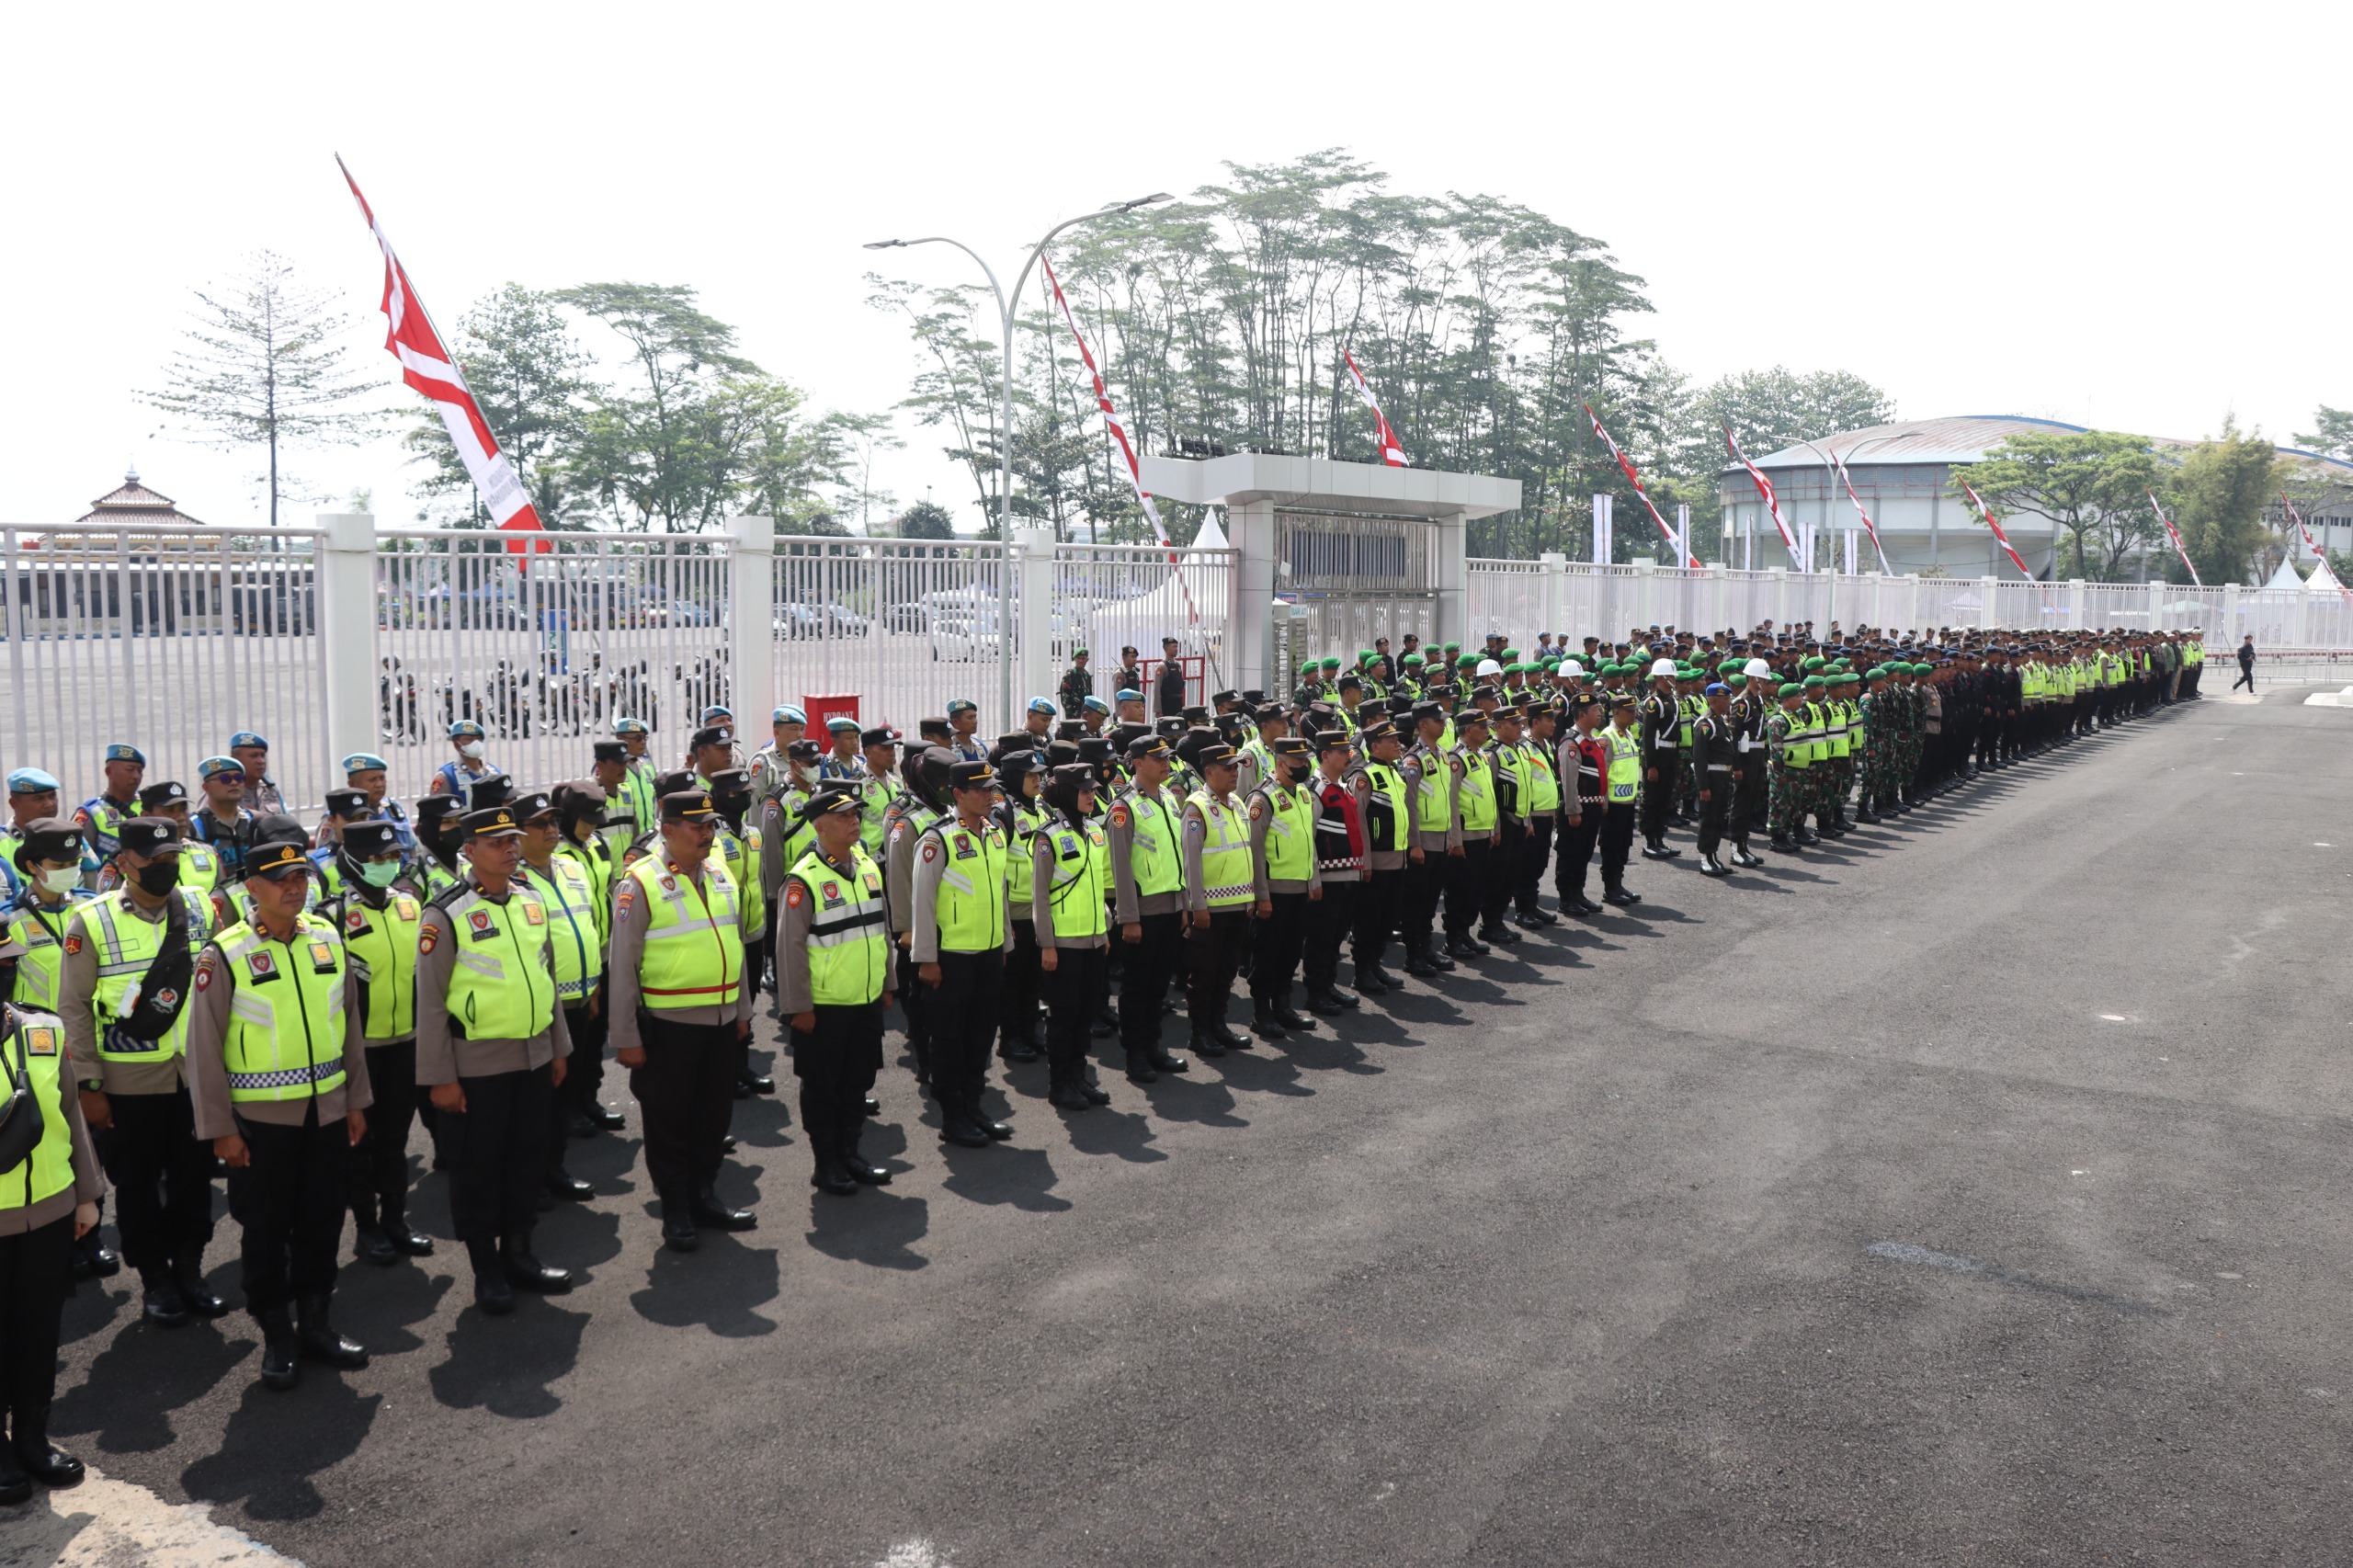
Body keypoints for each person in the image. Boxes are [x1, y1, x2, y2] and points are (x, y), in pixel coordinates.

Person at [183, 823, 372, 1392]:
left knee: (322, 1219)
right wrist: (220, 1127)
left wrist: (356, 1099)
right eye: (281, 880)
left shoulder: (326, 937)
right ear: (252, 889)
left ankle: (316, 1321)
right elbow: (204, 1048)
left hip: (328, 1113)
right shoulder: (226, 953)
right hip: (260, 1123)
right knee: (265, 1228)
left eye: (301, 877)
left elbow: (350, 1027)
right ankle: (276, 1333)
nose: (295, 887)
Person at [57, 816, 220, 1327]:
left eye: (172, 860)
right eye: (154, 863)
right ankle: (156, 1278)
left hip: (193, 1075)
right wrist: (89, 1085)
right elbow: (74, 1008)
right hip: (129, 1081)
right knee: (139, 1184)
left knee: (195, 1179)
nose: (165, 870)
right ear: (124, 862)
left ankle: (191, 1268)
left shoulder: (197, 905)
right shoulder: (92, 921)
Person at [415, 801, 575, 1313]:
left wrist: (557, 1046)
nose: (510, 850)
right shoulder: (445, 913)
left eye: (512, 841)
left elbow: (545, 977)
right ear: (468, 851)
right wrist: (440, 1077)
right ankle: (486, 1267)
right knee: (479, 1168)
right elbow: (432, 1003)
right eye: (496, 843)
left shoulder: (530, 899)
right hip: (477, 1065)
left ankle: (520, 1252)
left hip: (532, 1055)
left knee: (527, 1160)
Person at [610, 790, 756, 1253]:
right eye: (697, 827)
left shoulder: (718, 871)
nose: (708, 835)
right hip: (670, 1025)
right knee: (670, 1121)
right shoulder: (640, 881)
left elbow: (735, 946)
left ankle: (704, 1196)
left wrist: (743, 1010)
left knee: (713, 1116)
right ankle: (675, 1210)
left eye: (711, 826)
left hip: (719, 1018)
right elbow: (623, 966)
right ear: (667, 830)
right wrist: (626, 1037)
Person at [0, 996, 105, 1505]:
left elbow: (70, 1115)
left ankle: (32, 1438)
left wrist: (85, 1195)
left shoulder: (43, 1031)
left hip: (49, 1209)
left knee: (39, 1331)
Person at [319, 820, 434, 1267]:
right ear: (351, 861)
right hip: (359, 1050)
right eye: (376, 859)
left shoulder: (410, 905)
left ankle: (396, 1220)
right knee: (358, 1143)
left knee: (396, 1137)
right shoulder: (332, 916)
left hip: (405, 1040)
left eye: (392, 858)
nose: (386, 866)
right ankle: (366, 1227)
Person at [776, 788, 893, 1195]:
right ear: (819, 826)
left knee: (858, 1082)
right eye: (844, 817)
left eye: (856, 815)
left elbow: (882, 929)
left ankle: (851, 1153)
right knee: (823, 1087)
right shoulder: (803, 879)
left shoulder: (866, 866)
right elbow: (788, 950)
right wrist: (797, 1007)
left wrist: (888, 982)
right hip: (825, 1007)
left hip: (864, 999)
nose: (855, 821)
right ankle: (826, 1162)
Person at [909, 761, 1016, 1146]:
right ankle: (953, 1116)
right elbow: (921, 901)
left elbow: (998, 894)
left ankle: (974, 1106)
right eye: (981, 790)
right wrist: (927, 958)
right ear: (957, 795)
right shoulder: (937, 840)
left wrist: (1004, 942)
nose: (990, 796)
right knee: (949, 1040)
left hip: (987, 953)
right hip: (951, 957)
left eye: (991, 789)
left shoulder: (995, 833)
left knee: (981, 1036)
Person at [1029, 764, 1114, 1110]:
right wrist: (1047, 944)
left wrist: (1104, 930)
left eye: (1093, 790)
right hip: (1063, 944)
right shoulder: (1047, 836)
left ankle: (1079, 1077)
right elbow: (1040, 897)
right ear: (1066, 793)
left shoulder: (1095, 830)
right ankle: (1059, 1083)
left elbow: (1097, 888)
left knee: (1084, 1014)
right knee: (1063, 1017)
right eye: (1084, 791)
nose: (1091, 796)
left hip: (1093, 939)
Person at [1106, 734, 1189, 1082]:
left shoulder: (1169, 797)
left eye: (1167, 757)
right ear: (1138, 763)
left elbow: (1177, 854)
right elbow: (1120, 866)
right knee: (1138, 987)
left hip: (1170, 907)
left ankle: (1154, 1046)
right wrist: (1129, 917)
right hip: (1142, 912)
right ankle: (1135, 1054)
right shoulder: (1124, 807)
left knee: (1159, 986)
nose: (1166, 763)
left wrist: (1183, 902)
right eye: (1158, 759)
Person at [1245, 735, 1322, 1040]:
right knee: (1267, 953)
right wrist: (1261, 895)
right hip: (1274, 891)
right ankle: (1261, 1013)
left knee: (1290, 952)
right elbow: (1255, 850)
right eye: (1297, 762)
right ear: (1280, 764)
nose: (1304, 766)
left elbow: (1308, 840)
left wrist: (1313, 879)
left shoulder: (1303, 793)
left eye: (1305, 761)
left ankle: (1283, 1007)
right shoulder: (1262, 799)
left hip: (1300, 887)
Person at [1178, 743, 1253, 1056]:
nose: (1235, 773)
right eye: (1228, 768)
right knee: (1204, 974)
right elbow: (1191, 861)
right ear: (1209, 772)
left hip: (1239, 904)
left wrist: (1251, 895)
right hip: (1211, 907)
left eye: (1236, 767)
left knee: (1227, 971)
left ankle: (1219, 1025)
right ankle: (1200, 1032)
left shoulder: (1237, 802)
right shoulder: (1196, 807)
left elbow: (1246, 851)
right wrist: (1199, 906)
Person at [1302, 727, 1367, 1015]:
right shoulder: (1316, 789)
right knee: (1321, 937)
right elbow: (1309, 837)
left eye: (1348, 751)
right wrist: (1314, 879)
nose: (1348, 756)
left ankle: (1328, 985)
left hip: (1347, 874)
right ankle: (1316, 992)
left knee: (1336, 936)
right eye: (1342, 752)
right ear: (1325, 755)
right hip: (1328, 878)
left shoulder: (1341, 785)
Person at [73, 744, 145, 889]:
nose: (136, 776)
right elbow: (78, 862)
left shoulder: (148, 807)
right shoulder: (91, 812)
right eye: (130, 770)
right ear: (109, 771)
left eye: (140, 770)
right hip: (109, 892)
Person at [1597, 694, 1643, 906]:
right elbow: (1603, 771)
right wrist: (1604, 802)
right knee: (1612, 848)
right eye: (1630, 711)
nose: (1634, 714)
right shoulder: (1608, 736)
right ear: (1616, 712)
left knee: (1623, 846)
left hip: (1627, 801)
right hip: (1614, 803)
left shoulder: (1627, 734)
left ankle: (1618, 884)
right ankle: (1610, 889)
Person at [1690, 683, 1737, 876]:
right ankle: (1705, 859)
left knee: (1718, 818)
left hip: (1723, 776)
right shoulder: (1705, 723)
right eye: (1725, 699)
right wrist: (1703, 786)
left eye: (1728, 698)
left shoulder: (1719, 721)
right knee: (1708, 818)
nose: (1728, 702)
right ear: (1713, 700)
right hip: (1711, 776)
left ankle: (1713, 856)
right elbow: (1699, 757)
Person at [431, 721, 500, 808]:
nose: (476, 743)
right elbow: (435, 809)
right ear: (457, 745)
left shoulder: (494, 773)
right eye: (469, 739)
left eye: (479, 738)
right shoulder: (446, 776)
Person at [227, 733, 284, 818]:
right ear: (235, 760)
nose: (261, 761)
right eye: (253, 756)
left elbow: (285, 821)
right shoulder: (223, 791)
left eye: (262, 755)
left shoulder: (270, 789)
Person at [1059, 649, 1094, 719]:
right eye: (1078, 658)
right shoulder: (1070, 676)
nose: (1081, 661)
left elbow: (1089, 695)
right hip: (1074, 713)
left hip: (1086, 712)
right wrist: (1070, 716)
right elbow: (1065, 698)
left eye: (1083, 658)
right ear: (1074, 659)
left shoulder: (1087, 676)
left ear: (1087, 659)